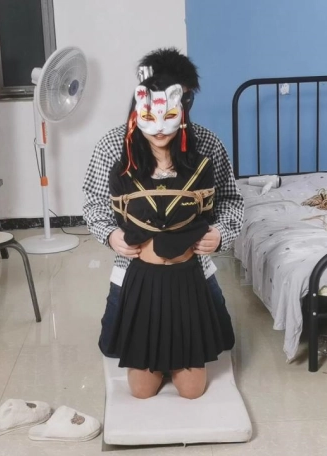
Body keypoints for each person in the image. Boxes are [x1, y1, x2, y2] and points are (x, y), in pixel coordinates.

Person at [81, 48, 244, 385]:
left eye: (182, 97)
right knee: (112, 346)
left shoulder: (207, 144)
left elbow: (231, 200)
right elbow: (94, 203)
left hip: (192, 268)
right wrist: (111, 235)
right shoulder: (114, 145)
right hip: (135, 269)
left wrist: (220, 234)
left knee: (221, 341)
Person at [103, 75, 227, 399]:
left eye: (168, 116)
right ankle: (155, 360)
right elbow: (105, 212)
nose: (159, 128)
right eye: (149, 117)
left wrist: (218, 234)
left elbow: (219, 209)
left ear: (182, 114)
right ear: (136, 118)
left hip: (187, 279)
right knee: (141, 391)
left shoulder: (201, 166)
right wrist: (111, 235)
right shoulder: (123, 170)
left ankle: (177, 359)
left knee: (192, 391)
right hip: (143, 280)